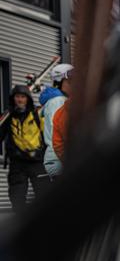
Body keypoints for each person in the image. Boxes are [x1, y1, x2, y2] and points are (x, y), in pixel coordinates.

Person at [1, 85, 48, 213]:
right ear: (13, 99)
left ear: (28, 99)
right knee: (17, 198)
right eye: (17, 97)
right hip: (17, 163)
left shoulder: (37, 114)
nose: (20, 100)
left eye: (23, 97)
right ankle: (20, 226)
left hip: (37, 161)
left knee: (44, 196)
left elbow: (48, 136)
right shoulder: (8, 116)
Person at [40, 64, 72, 178]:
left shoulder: (59, 100)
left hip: (58, 157)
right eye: (70, 81)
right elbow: (60, 131)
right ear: (58, 82)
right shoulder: (58, 101)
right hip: (58, 159)